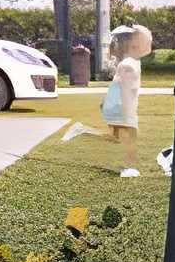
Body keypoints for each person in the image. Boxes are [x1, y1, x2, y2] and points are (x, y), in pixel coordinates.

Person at [61, 23, 150, 177]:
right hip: (121, 106)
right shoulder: (128, 64)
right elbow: (121, 87)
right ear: (134, 45)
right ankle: (129, 168)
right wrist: (125, 109)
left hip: (120, 106)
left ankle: (82, 130)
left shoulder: (132, 62)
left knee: (115, 138)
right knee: (132, 135)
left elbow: (120, 86)